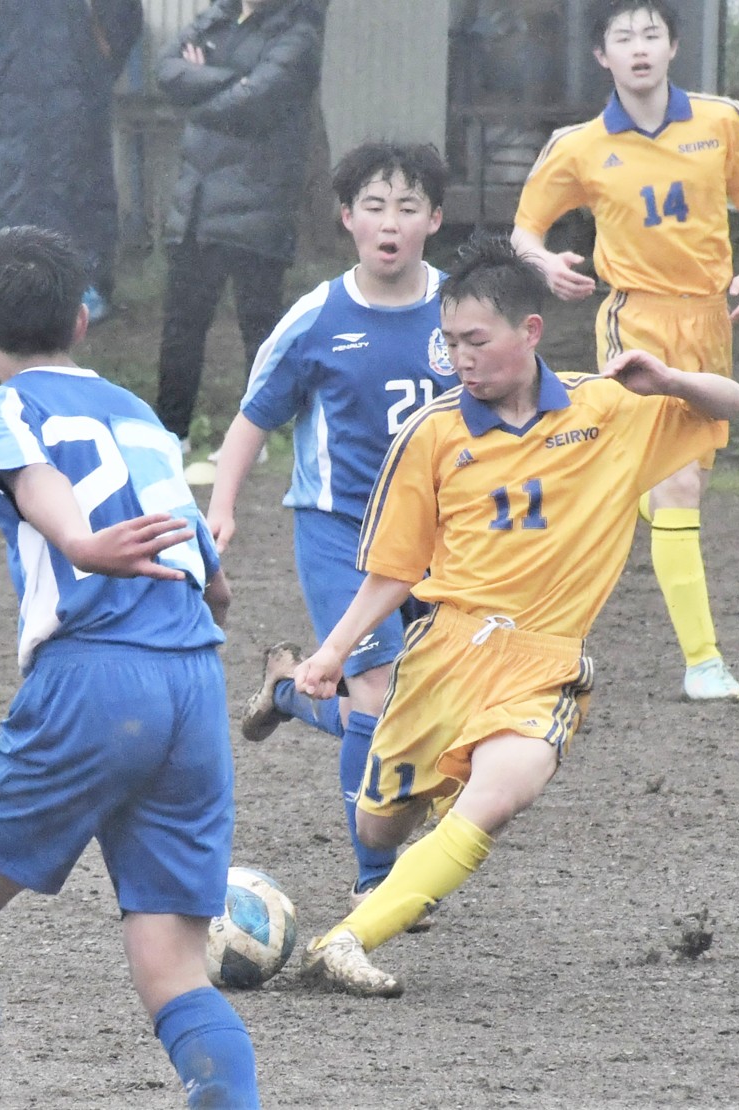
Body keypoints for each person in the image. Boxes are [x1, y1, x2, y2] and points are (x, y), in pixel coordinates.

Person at [289, 236, 739, 998]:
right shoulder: (433, 434)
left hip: (543, 661)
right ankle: (293, 695)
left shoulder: (608, 409)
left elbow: (730, 403)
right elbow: (394, 571)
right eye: (448, 343)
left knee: (502, 791)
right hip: (443, 655)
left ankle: (343, 940)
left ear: (529, 331)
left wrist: (669, 378)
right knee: (380, 827)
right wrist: (331, 653)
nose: (458, 359)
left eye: (474, 340)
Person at [0, 226, 258, 1108]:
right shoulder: (138, 415)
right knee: (173, 963)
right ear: (81, 319)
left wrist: (79, 545)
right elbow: (213, 582)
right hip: (192, 679)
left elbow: (41, 487)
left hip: (97, 681)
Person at [510, 0, 739, 703]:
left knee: (679, 483)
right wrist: (544, 264)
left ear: (672, 46)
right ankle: (703, 662)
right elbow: (524, 230)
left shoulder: (722, 120)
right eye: (622, 37)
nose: (638, 48)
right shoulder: (578, 145)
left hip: (709, 323)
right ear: (601, 55)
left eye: (650, 34)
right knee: (678, 485)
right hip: (633, 319)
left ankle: (637, 490)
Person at [206, 141, 457, 907]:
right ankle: (376, 881)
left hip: (444, 534)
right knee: (375, 692)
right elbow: (252, 419)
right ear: (347, 217)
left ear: (434, 219)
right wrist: (221, 507)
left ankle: (289, 693)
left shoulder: (463, 310)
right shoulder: (316, 318)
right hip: (339, 528)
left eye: (407, 207)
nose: (390, 222)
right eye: (374, 206)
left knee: (427, 710)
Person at [153, 0, 325, 453]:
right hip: (196, 204)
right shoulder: (215, 18)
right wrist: (233, 80)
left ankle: (256, 438)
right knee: (181, 328)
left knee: (260, 329)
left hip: (260, 204)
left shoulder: (298, 35)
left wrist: (198, 89)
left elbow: (257, 102)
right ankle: (172, 435)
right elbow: (166, 71)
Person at [0, 0, 143, 321]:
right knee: (24, 187)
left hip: (72, 88)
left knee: (73, 185)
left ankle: (80, 287)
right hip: (25, 87)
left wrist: (100, 57)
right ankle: (26, 287)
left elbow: (123, 17)